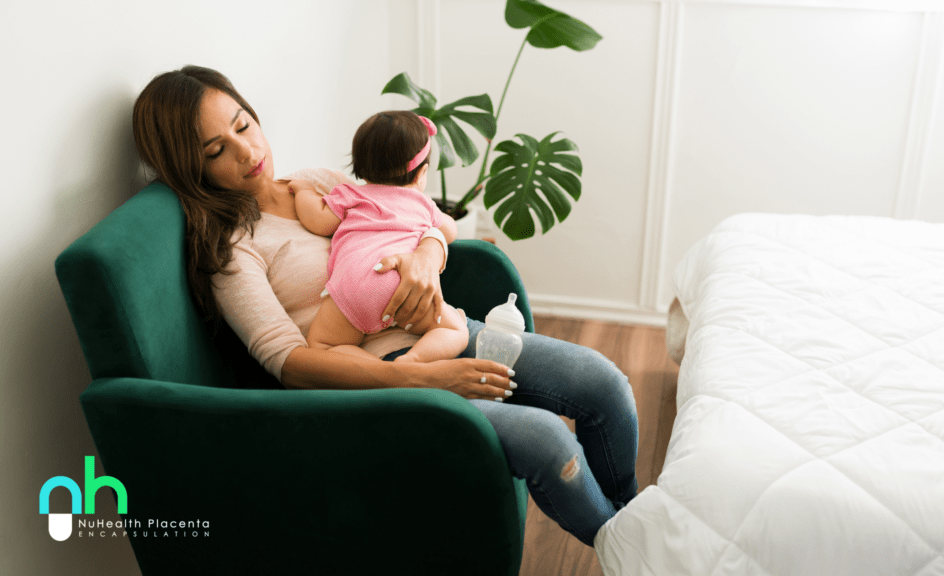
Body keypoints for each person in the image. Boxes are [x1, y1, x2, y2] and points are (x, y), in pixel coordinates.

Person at [131, 65, 638, 547]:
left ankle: (635, 529)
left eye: (243, 124)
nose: (246, 151)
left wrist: (425, 256)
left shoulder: (319, 182)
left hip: (444, 327)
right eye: (218, 149)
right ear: (191, 166)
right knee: (548, 439)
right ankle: (630, 553)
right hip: (387, 377)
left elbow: (415, 215)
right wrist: (426, 380)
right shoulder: (233, 249)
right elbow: (289, 364)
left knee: (606, 385)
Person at [290, 110, 468, 364]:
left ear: (360, 167)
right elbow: (449, 231)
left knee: (322, 347)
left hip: (358, 285)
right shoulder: (423, 203)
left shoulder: (350, 194)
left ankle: (377, 371)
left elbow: (318, 220)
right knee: (454, 329)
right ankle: (412, 361)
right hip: (409, 286)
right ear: (421, 173)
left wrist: (303, 190)